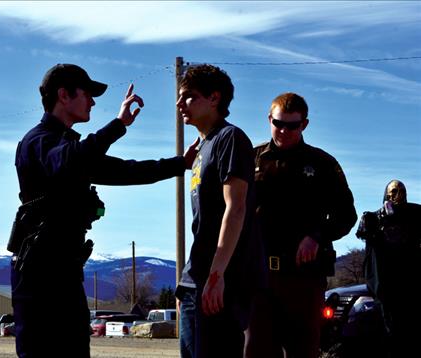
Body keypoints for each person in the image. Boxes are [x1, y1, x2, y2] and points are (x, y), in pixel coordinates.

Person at [8, 63, 198, 358]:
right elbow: (69, 160)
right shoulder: (39, 143)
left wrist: (179, 164)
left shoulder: (69, 146)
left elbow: (124, 171)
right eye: (88, 94)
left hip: (64, 270)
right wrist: (118, 124)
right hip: (39, 276)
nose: (93, 102)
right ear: (64, 95)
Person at [244, 92, 357, 358]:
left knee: (302, 350)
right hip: (258, 275)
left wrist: (317, 235)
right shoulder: (251, 160)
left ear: (304, 124)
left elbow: (346, 215)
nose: (283, 130)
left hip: (303, 279)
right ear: (268, 119)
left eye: (292, 125)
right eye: (278, 123)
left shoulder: (322, 164)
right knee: (255, 350)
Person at [174, 64, 263, 358]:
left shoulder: (230, 139)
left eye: (189, 97)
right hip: (194, 281)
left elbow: (235, 209)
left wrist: (217, 275)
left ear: (214, 98)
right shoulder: (202, 147)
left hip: (221, 282)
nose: (180, 104)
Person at [356, 179, 421, 358]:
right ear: (387, 194)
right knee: (389, 327)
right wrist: (378, 219)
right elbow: (362, 231)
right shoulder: (375, 217)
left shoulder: (415, 214)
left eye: (401, 191)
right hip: (386, 282)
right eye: (393, 191)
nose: (398, 195)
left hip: (411, 279)